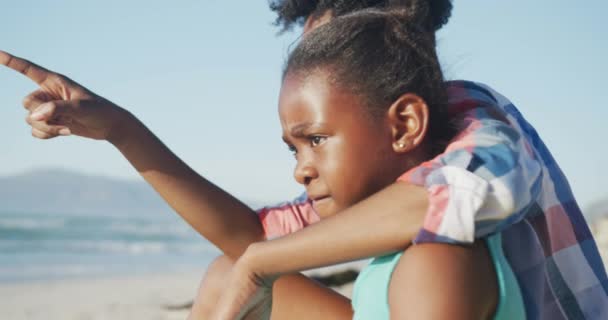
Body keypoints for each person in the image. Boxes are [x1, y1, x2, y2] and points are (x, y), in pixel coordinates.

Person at [1, 0, 606, 319]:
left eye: (332, 42)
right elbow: (253, 237)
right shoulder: (373, 186)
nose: (300, 166)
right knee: (226, 270)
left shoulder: (468, 111)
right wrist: (122, 131)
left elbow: (458, 195)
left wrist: (260, 262)